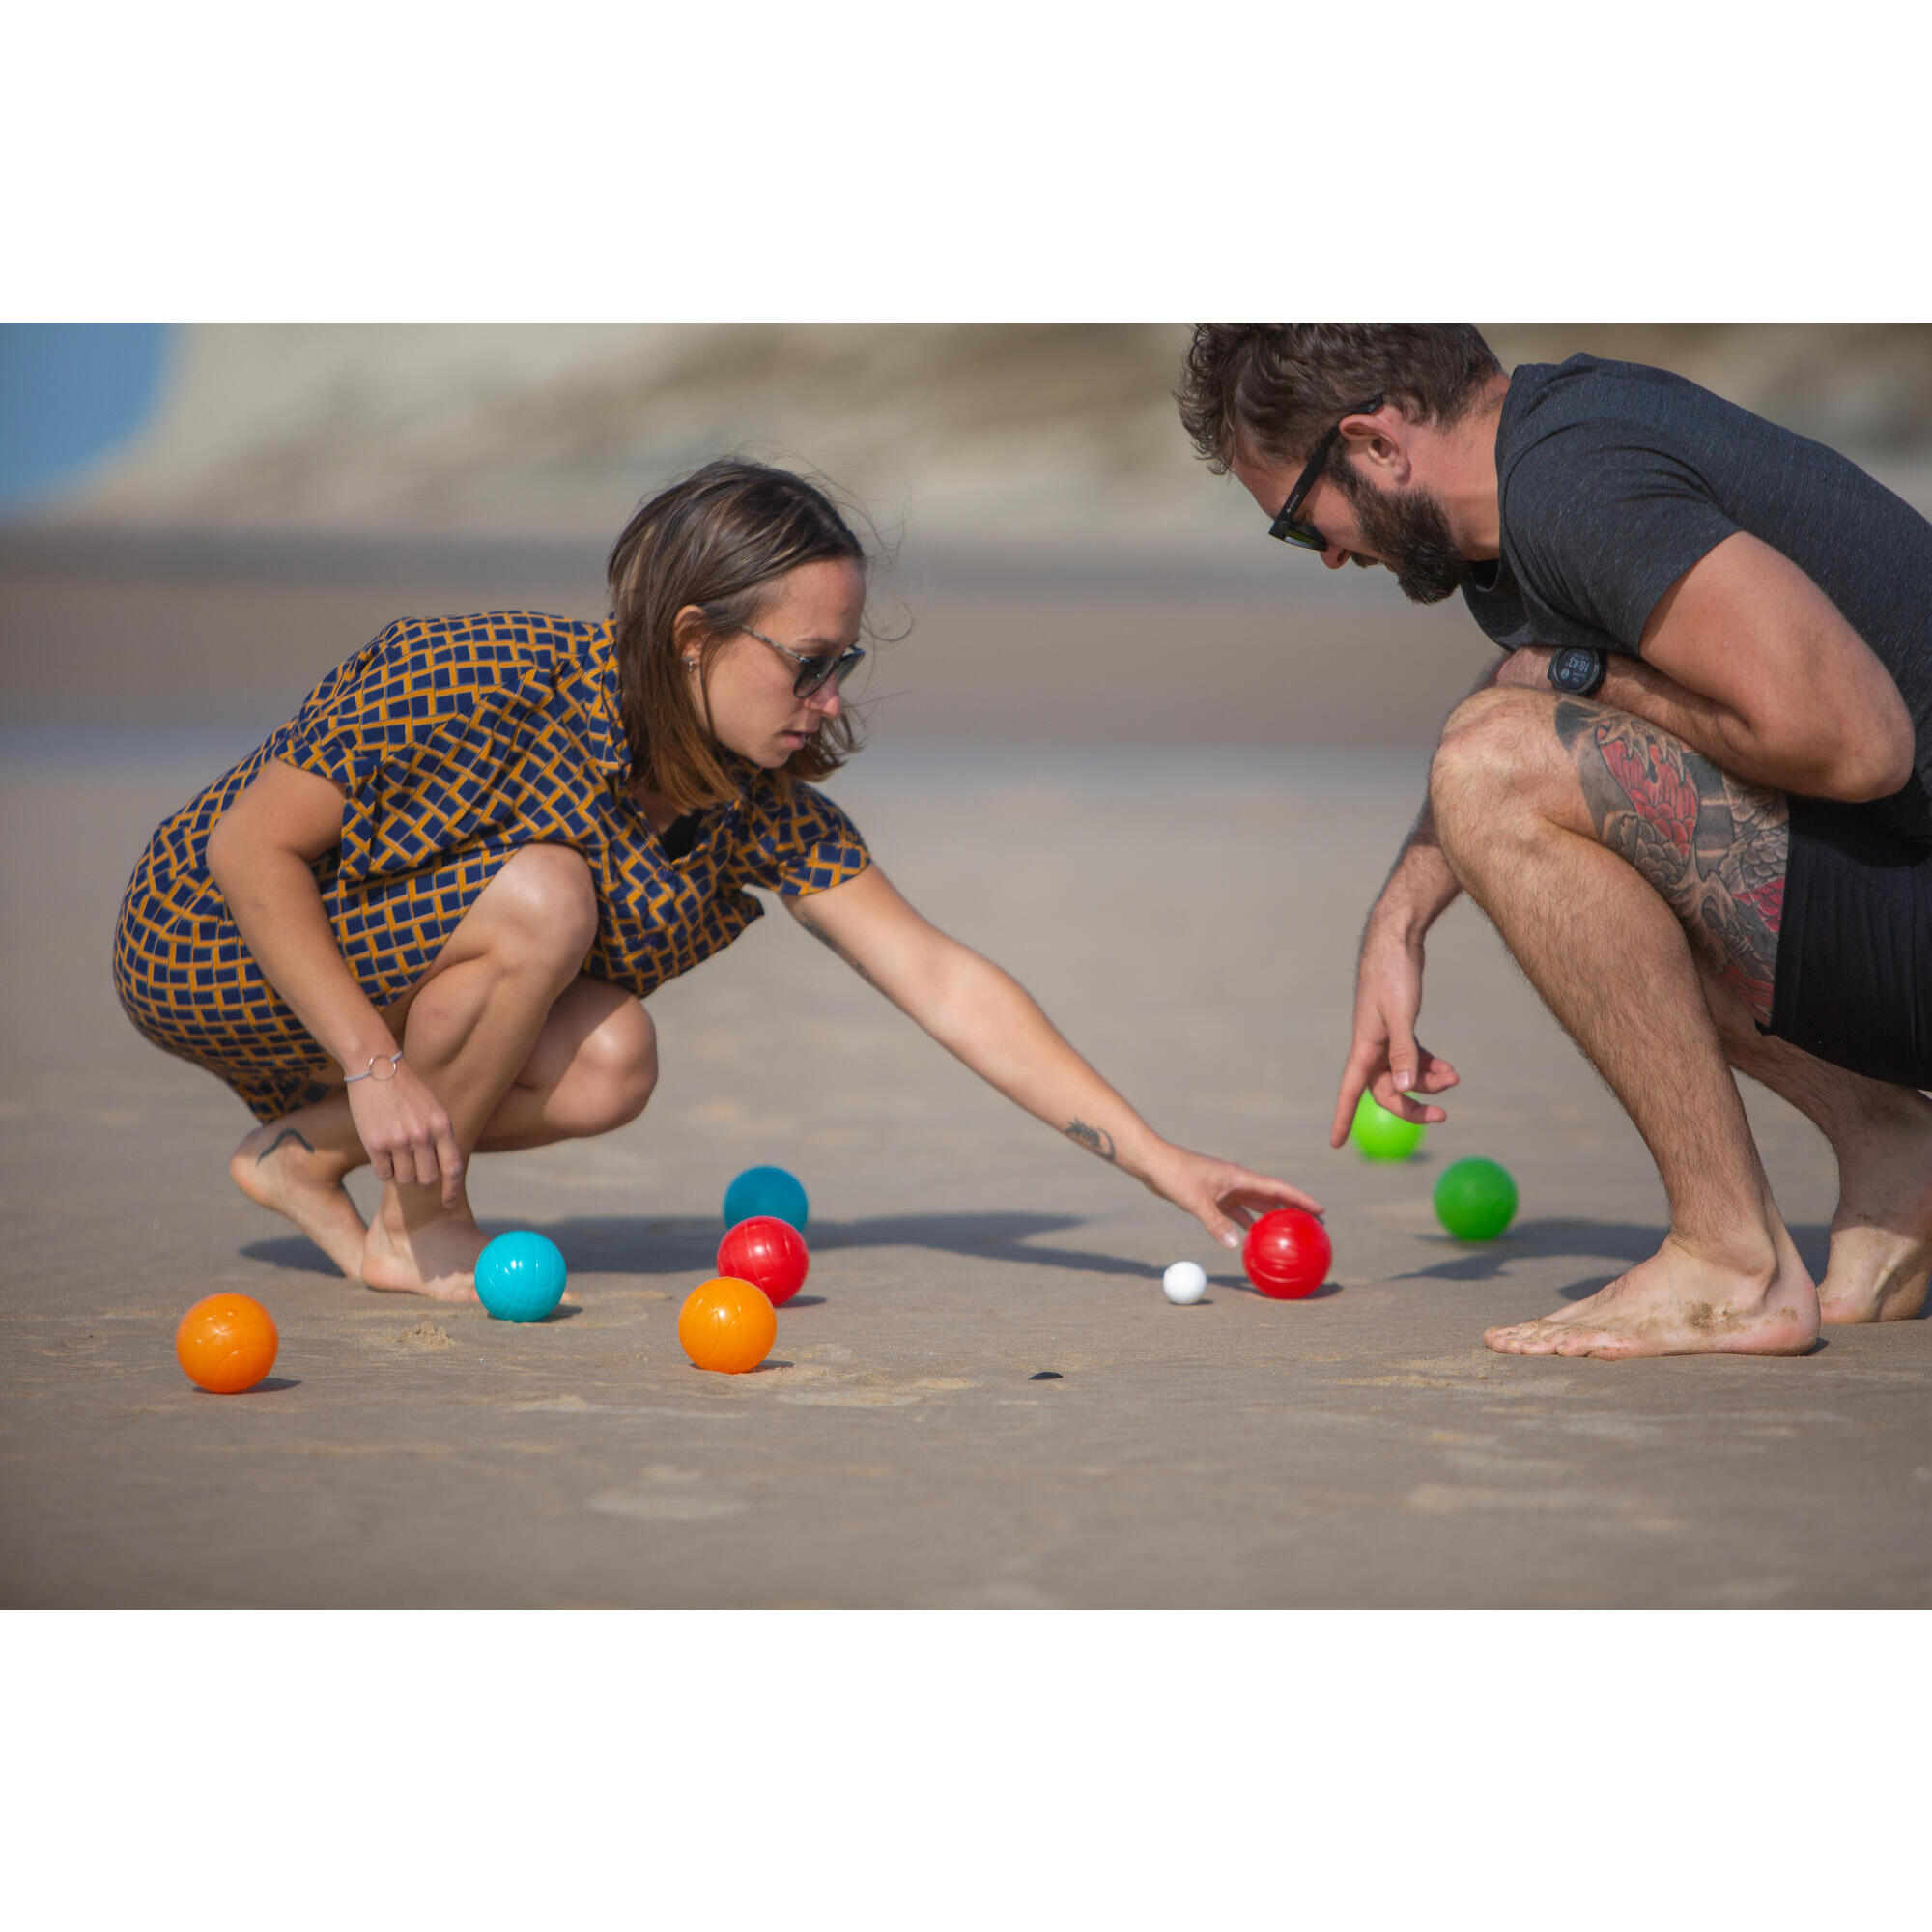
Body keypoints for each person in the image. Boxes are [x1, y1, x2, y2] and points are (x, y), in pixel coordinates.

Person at [115, 457, 1318, 1299]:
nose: (830, 697)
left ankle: (302, 1156)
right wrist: (377, 1067)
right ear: (692, 636)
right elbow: (244, 849)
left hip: (379, 999)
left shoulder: (757, 815)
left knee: (610, 1059)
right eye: (805, 664)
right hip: (208, 943)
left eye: (841, 663)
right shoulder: (476, 668)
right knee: (544, 893)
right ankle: (417, 1224)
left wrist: (1168, 1162)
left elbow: (944, 981)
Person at [1176, 325, 1932, 1360]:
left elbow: (1857, 745)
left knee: (1494, 772)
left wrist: (1577, 677)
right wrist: (1398, 919)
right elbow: (1539, 689)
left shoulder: (1578, 490)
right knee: (1507, 751)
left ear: (1374, 444)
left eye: (1306, 524)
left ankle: (1731, 1259)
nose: (1335, 554)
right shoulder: (1549, 459)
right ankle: (1892, 1144)